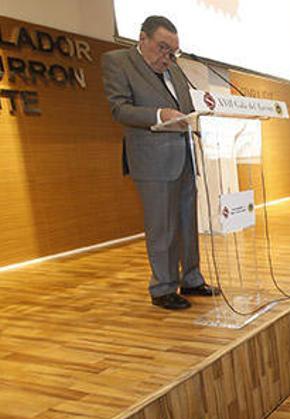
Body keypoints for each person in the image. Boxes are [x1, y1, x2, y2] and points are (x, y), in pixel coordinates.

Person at [102, 15, 219, 310]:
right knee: (162, 226)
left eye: (173, 51)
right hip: (151, 159)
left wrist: (203, 108)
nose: (168, 56)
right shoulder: (118, 62)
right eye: (162, 48)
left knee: (187, 223)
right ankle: (163, 287)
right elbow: (119, 109)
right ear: (143, 39)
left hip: (184, 155)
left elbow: (186, 107)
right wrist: (158, 115)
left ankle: (191, 279)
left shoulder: (175, 69)